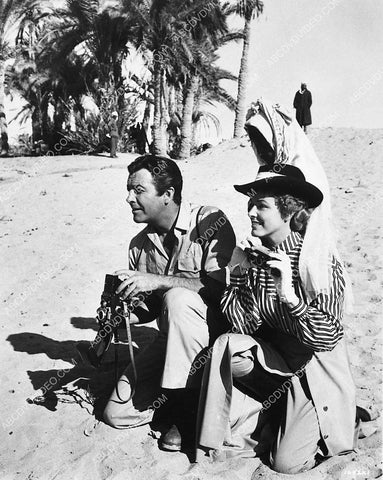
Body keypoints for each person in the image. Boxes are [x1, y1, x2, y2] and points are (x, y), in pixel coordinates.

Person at [196, 100, 356, 474]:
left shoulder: (315, 260)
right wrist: (240, 276)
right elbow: (243, 327)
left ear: (287, 211)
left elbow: (328, 338)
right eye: (251, 203)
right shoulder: (254, 255)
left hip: (314, 370)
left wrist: (290, 296)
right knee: (228, 348)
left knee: (285, 463)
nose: (251, 212)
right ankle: (225, 431)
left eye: (261, 206)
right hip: (278, 364)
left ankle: (335, 419)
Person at [103, 154, 236, 453]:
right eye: (128, 189)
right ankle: (175, 396)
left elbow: (219, 290)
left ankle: (184, 410)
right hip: (172, 339)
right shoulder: (138, 245)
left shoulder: (209, 222)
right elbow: (150, 309)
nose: (128, 198)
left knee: (177, 298)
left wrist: (159, 281)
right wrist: (123, 317)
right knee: (116, 413)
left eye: (138, 190)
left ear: (167, 194)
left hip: (216, 338)